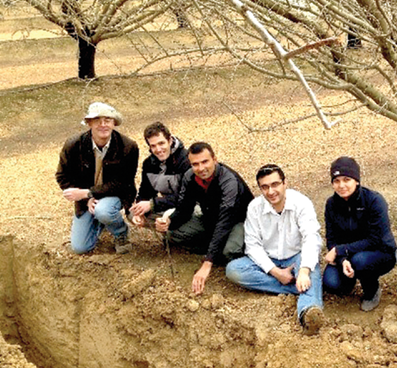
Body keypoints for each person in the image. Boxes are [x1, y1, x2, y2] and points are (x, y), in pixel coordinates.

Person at [226, 164, 324, 335]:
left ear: (285, 183)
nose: (271, 191)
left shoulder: (301, 203)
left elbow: (311, 238)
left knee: (310, 268)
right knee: (234, 270)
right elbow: (252, 244)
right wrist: (276, 272)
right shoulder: (255, 207)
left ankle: (307, 313)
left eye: (275, 184)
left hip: (296, 258)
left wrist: (304, 271)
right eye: (265, 187)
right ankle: (301, 288)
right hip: (269, 259)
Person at [155, 142, 253, 295]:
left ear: (214, 159)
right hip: (209, 219)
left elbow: (224, 222)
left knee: (230, 251)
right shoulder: (190, 177)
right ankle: (213, 250)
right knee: (172, 233)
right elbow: (184, 210)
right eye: (195, 164)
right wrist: (169, 221)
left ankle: (215, 253)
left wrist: (207, 264)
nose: (201, 168)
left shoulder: (229, 181)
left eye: (205, 162)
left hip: (237, 222)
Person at [56, 102, 139, 254]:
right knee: (81, 248)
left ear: (114, 123)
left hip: (114, 195)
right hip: (86, 200)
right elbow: (62, 176)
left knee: (104, 211)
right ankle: (101, 222)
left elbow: (124, 182)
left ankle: (120, 233)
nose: (103, 125)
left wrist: (89, 193)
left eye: (107, 120)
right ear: (89, 123)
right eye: (97, 120)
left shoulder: (128, 147)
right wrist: (86, 199)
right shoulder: (73, 145)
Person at [323, 156, 396, 311]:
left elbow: (375, 239)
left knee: (360, 261)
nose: (341, 185)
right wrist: (342, 259)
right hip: (349, 254)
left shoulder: (374, 201)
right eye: (336, 181)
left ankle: (372, 291)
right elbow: (332, 238)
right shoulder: (331, 204)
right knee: (332, 283)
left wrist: (339, 251)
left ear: (356, 180)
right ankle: (349, 278)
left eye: (346, 179)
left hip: (381, 252)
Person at [129, 122, 190, 227]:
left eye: (161, 143)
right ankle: (168, 230)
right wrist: (140, 210)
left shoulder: (186, 160)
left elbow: (186, 197)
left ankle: (179, 235)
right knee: (132, 213)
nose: (158, 149)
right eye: (153, 146)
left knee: (175, 219)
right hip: (168, 204)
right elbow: (145, 192)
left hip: (189, 206)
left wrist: (152, 204)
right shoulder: (149, 163)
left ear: (170, 141)